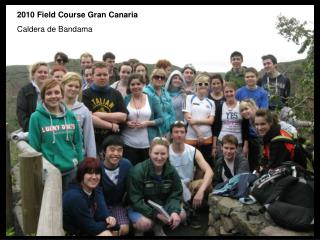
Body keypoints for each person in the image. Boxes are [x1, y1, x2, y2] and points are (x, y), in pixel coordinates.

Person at [28, 79, 83, 192]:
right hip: (50, 172)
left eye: (57, 92)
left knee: (69, 204)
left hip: (72, 169)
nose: (53, 96)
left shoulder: (70, 116)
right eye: (49, 93)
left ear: (62, 94)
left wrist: (81, 164)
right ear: (43, 96)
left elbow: (78, 142)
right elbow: (35, 147)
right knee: (52, 207)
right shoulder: (36, 117)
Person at [126, 137, 186, 236]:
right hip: (139, 207)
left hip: (160, 205)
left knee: (181, 215)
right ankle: (138, 229)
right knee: (145, 224)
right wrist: (156, 214)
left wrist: (174, 211)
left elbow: (176, 193)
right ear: (149, 152)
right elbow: (135, 200)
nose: (159, 157)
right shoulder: (138, 171)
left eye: (163, 154)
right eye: (156, 153)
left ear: (167, 154)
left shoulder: (171, 171)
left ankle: (158, 227)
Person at [168, 121, 213, 229]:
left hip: (189, 184)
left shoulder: (193, 151)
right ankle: (189, 211)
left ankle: (196, 205)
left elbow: (209, 171)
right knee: (180, 214)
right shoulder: (166, 151)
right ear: (171, 134)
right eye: (176, 132)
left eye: (182, 132)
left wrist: (201, 191)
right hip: (173, 188)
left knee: (206, 184)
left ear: (185, 134)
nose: (179, 134)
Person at [63, 157, 117, 236]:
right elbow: (91, 228)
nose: (94, 177)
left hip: (84, 228)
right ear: (81, 174)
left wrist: (110, 219)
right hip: (72, 232)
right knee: (106, 234)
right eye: (90, 173)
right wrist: (112, 225)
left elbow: (102, 212)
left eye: (97, 173)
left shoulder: (95, 190)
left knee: (113, 231)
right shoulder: (75, 196)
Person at [82, 62, 128, 153]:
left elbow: (123, 117)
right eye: (99, 75)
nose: (102, 77)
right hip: (92, 140)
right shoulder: (85, 94)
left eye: (105, 74)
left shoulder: (116, 93)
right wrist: (111, 125)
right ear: (92, 76)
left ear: (109, 75)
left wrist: (98, 114)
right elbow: (88, 118)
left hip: (112, 140)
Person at [123, 73, 164, 165]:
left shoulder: (152, 99)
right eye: (132, 84)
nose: (135, 86)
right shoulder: (126, 99)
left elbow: (161, 119)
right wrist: (127, 123)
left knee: (146, 171)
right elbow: (121, 118)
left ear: (143, 84)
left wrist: (148, 123)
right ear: (129, 86)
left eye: (138, 84)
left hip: (147, 144)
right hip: (128, 143)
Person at [99, 135, 132, 236]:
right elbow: (97, 195)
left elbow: (132, 186)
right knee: (109, 230)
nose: (116, 154)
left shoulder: (126, 165)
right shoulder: (97, 168)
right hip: (99, 206)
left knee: (124, 229)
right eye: (112, 150)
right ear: (104, 151)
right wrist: (107, 215)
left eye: (119, 150)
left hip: (117, 205)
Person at [183, 73, 215, 171]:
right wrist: (199, 133)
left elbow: (211, 121)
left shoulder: (211, 102)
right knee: (190, 164)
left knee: (203, 165)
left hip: (207, 138)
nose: (203, 86)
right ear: (196, 85)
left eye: (206, 84)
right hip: (191, 136)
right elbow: (188, 117)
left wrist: (195, 120)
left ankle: (200, 185)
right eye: (200, 83)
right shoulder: (189, 98)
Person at [61, 72, 96, 158]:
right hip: (58, 157)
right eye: (70, 85)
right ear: (63, 86)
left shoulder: (84, 110)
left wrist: (91, 159)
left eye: (77, 87)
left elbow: (89, 137)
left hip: (78, 157)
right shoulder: (55, 107)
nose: (73, 89)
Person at [212, 82, 249, 161]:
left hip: (238, 143)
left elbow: (246, 127)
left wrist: (246, 146)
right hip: (222, 142)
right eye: (226, 92)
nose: (229, 94)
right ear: (223, 93)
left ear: (235, 92)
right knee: (221, 165)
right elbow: (216, 127)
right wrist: (214, 146)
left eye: (231, 91)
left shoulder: (241, 105)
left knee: (237, 166)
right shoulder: (220, 106)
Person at [17, 62, 49, 132]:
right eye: (40, 72)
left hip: (50, 130)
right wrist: (33, 130)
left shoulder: (51, 90)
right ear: (33, 74)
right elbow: (21, 115)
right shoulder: (25, 91)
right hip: (33, 131)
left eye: (45, 72)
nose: (43, 74)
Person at [144, 68, 176, 136]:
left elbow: (172, 112)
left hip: (167, 130)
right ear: (152, 78)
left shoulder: (166, 93)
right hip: (152, 130)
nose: (159, 79)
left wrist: (171, 128)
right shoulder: (145, 92)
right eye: (156, 77)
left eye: (162, 78)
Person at [239, 99, 263, 172]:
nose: (244, 112)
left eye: (246, 109)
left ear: (252, 107)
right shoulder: (246, 120)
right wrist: (245, 146)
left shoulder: (260, 117)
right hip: (252, 143)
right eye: (242, 110)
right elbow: (246, 134)